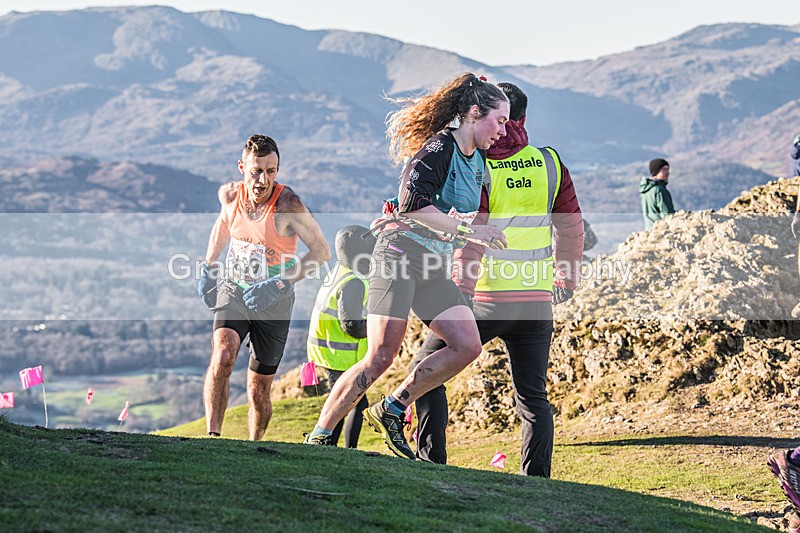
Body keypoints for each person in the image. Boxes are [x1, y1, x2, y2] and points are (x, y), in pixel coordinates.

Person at [303, 73, 509, 458]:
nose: (503, 130)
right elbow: (413, 203)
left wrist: (482, 232)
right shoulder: (438, 148)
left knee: (467, 345)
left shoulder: (479, 158)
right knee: (381, 355)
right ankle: (319, 433)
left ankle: (393, 408)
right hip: (397, 257)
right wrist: (467, 232)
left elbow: (459, 216)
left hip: (432, 265)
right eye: (499, 121)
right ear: (473, 114)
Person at [411, 82, 584, 476]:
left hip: (484, 298)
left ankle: (430, 462)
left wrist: (461, 290)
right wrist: (565, 281)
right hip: (537, 300)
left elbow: (474, 232)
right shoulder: (549, 162)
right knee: (533, 397)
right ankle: (536, 480)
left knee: (428, 368)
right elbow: (572, 227)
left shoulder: (480, 162)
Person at [197, 134, 330, 440]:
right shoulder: (230, 196)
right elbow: (222, 227)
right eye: (256, 170)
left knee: (258, 388)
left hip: (275, 299)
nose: (263, 179)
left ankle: (254, 447)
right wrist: (209, 266)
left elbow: (321, 252)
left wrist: (280, 282)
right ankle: (211, 437)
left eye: (271, 171)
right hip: (235, 287)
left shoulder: (288, 204)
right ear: (242, 167)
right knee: (223, 354)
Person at [306, 225, 376, 448]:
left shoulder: (340, 271)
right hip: (342, 354)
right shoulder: (353, 282)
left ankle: (331, 444)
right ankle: (337, 446)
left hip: (329, 351)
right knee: (351, 400)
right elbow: (351, 326)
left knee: (346, 399)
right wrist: (377, 328)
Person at [640, 158, 675, 229]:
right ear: (656, 171)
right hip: (661, 230)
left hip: (649, 229)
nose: (667, 172)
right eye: (664, 169)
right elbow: (667, 214)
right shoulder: (660, 190)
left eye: (668, 169)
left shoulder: (645, 190)